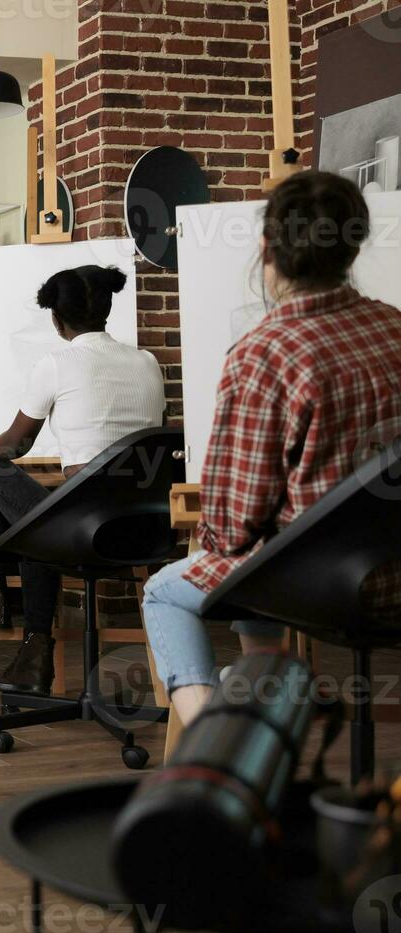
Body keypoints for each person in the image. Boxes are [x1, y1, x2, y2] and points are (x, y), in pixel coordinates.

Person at [145, 171, 401, 726]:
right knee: (259, 562)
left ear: (268, 247)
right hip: (393, 573)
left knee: (167, 591)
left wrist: (217, 542)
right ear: (351, 245)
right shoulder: (394, 328)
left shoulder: (265, 353)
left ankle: (218, 763)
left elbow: (234, 525)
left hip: (322, 585)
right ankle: (271, 708)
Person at [0, 265, 165, 695]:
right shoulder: (149, 362)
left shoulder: (56, 363)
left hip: (83, 532)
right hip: (143, 533)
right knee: (39, 521)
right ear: (107, 310)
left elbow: (14, 447)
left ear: (57, 321)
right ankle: (29, 654)